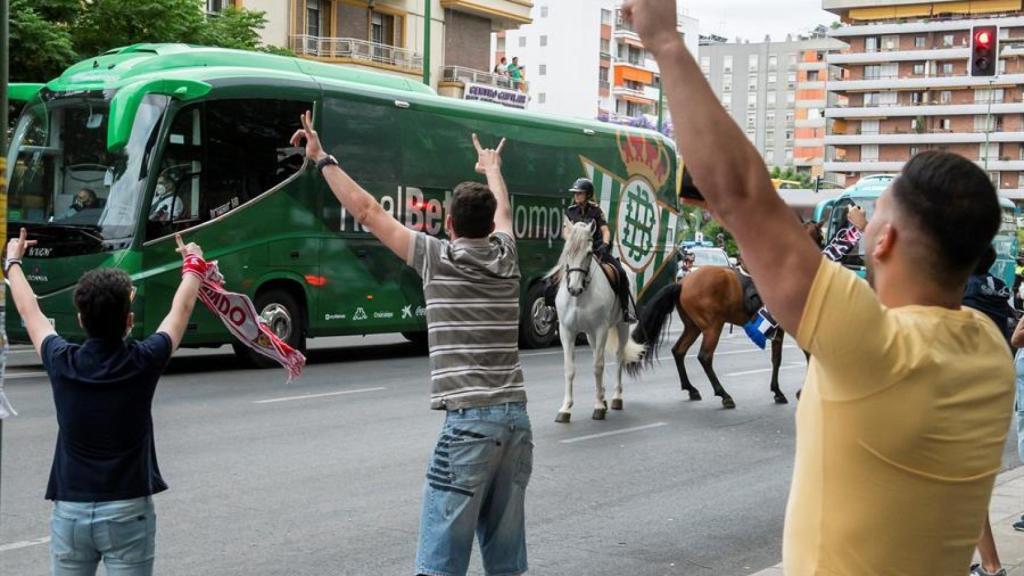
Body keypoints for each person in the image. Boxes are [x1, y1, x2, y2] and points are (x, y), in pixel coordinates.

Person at [623, 1, 1013, 574]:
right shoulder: (989, 349)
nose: (861, 222)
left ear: (884, 242)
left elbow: (741, 192)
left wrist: (666, 42)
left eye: (872, 214)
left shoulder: (875, 347)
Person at [289, 111, 532, 576]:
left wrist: (322, 159)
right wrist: (494, 169)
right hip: (516, 421)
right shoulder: (507, 256)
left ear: (451, 226)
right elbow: (503, 211)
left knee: (440, 564)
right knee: (506, 564)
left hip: (469, 424)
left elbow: (366, 211)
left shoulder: (436, 258)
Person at [5, 227, 203, 576]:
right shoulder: (144, 360)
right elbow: (181, 308)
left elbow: (29, 309)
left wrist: (13, 261)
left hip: (70, 512)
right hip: (128, 510)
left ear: (81, 319)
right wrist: (193, 264)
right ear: (129, 321)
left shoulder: (61, 360)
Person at [962, 246, 1016, 576]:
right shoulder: (998, 289)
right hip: (990, 394)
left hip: (962, 395)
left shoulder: (961, 292)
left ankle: (992, 566)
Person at [544, 177, 636, 323]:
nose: (576, 196)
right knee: (551, 279)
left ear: (588, 194)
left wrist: (605, 244)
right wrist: (573, 242)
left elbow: (605, 230)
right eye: (575, 193)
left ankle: (625, 310)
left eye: (579, 193)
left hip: (597, 250)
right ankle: (551, 311)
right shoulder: (570, 211)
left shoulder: (596, 210)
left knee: (621, 273)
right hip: (576, 252)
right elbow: (565, 231)